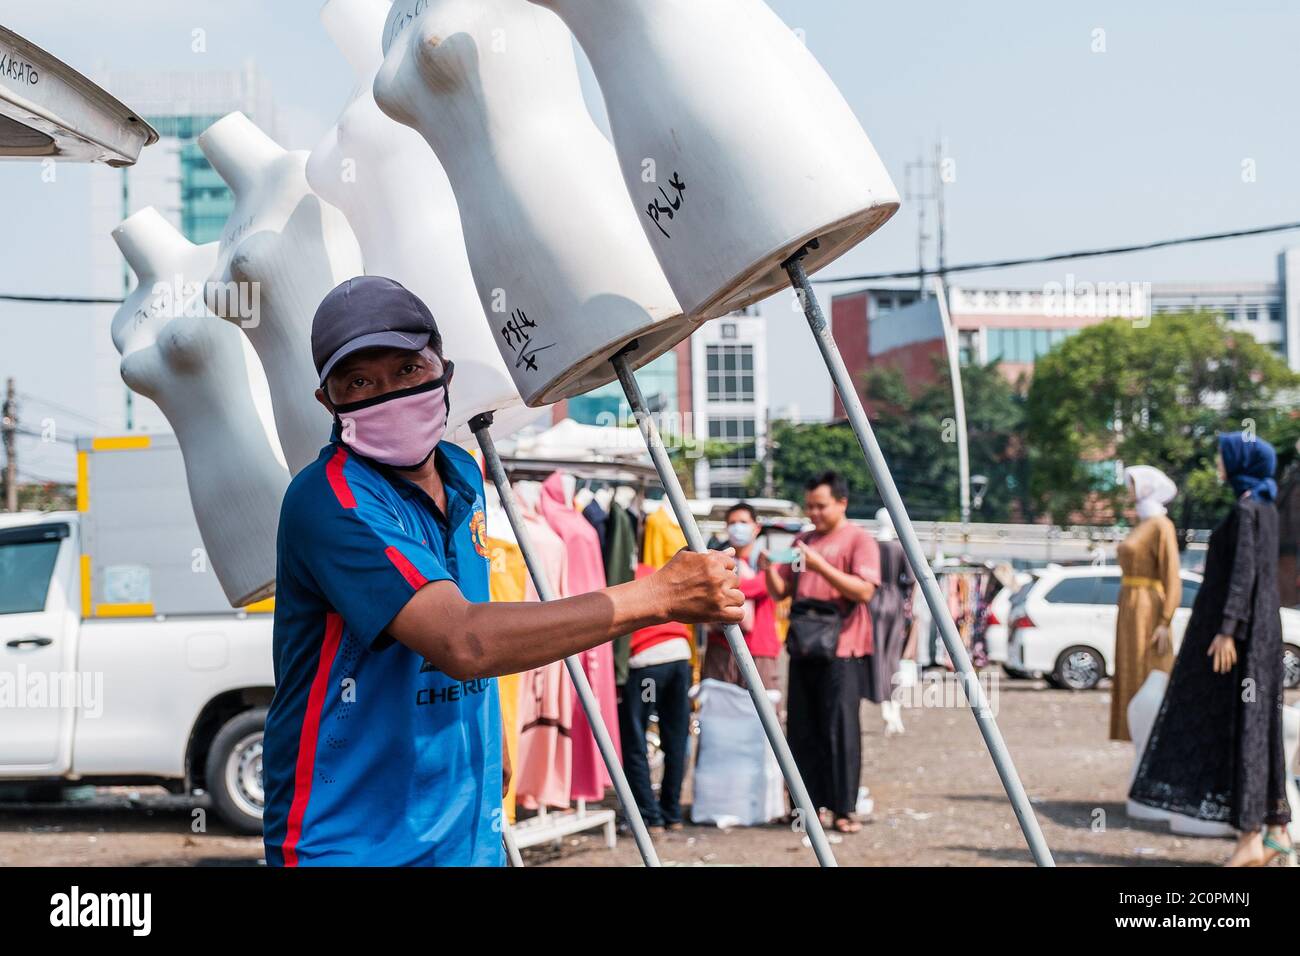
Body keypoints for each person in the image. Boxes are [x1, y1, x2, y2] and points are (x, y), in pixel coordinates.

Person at [261, 276, 743, 866]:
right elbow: (463, 640)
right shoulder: (329, 500)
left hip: (466, 829)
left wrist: (489, 750)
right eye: (360, 382)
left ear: (445, 372)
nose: (387, 394)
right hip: (351, 841)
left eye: (408, 370)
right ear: (327, 401)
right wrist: (658, 595)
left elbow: (476, 629)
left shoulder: (463, 474)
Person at [1129, 432, 1294, 866]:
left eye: (1223, 458)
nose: (1218, 464)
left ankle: (1249, 840)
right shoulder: (1265, 508)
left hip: (1238, 640)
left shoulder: (1245, 510)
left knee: (1243, 729)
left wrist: (1225, 629)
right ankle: (1277, 831)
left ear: (1240, 462)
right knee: (1261, 729)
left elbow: (1242, 575)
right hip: (1262, 636)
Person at [764, 471, 880, 834]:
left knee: (840, 730)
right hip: (802, 647)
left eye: (821, 506)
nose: (813, 513)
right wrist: (769, 566)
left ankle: (844, 809)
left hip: (842, 650)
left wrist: (821, 566)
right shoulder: (803, 540)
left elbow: (864, 591)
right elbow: (781, 591)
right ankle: (806, 807)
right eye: (809, 506)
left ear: (841, 503)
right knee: (801, 729)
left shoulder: (859, 540)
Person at [618, 563, 693, 832]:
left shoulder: (618, 576)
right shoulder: (652, 569)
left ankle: (650, 817)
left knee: (635, 738)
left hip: (645, 661)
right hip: (679, 654)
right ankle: (672, 814)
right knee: (676, 737)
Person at [1109, 465, 1180, 741]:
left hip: (1148, 607)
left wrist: (1165, 620)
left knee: (1148, 664)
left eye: (1133, 485)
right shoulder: (1143, 523)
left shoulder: (1162, 525)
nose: (1129, 491)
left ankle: (1154, 730)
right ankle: (1134, 728)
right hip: (1130, 605)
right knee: (1130, 665)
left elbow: (1171, 575)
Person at [701, 502, 780, 691]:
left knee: (763, 715)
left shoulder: (768, 561)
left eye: (743, 522)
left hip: (759, 650)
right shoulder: (717, 561)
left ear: (756, 527)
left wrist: (722, 585)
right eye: (733, 522)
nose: (738, 527)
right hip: (721, 648)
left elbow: (763, 587)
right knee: (719, 712)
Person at [861, 507, 914, 735]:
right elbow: (911, 579)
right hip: (894, 603)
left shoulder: (870, 545)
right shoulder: (900, 548)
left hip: (871, 601)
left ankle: (885, 708)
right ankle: (893, 709)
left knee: (876, 656)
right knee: (892, 656)